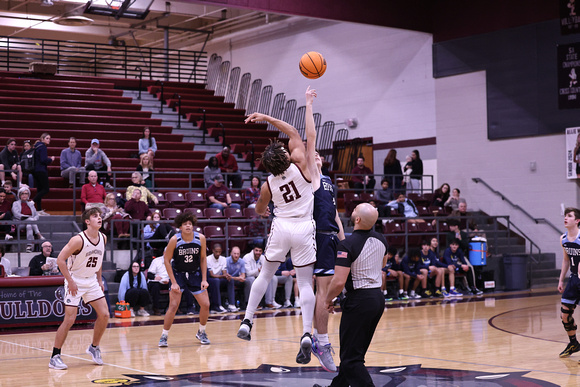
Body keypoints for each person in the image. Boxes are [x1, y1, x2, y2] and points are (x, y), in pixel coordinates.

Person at [237, 87, 317, 368]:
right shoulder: (302, 163)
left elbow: (259, 210)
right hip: (304, 226)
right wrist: (267, 117)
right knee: (305, 281)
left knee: (266, 274)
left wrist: (266, 208)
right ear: (286, 156)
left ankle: (247, 320)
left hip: (281, 226)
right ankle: (306, 333)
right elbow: (295, 131)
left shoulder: (268, 184)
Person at [323, 203, 387, 386]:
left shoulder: (347, 244)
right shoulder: (382, 239)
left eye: (354, 210)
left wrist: (328, 300)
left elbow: (338, 281)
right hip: (376, 299)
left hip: (359, 301)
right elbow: (382, 263)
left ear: (357, 219)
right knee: (353, 354)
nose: (351, 211)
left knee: (352, 360)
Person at [49, 208, 109, 370]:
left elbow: (99, 259)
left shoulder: (103, 237)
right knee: (70, 319)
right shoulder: (78, 240)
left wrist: (99, 279)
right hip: (74, 280)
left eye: (100, 216)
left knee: (104, 314)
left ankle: (94, 347)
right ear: (87, 221)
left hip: (91, 281)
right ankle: (55, 356)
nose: (99, 218)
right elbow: (61, 260)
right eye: (95, 216)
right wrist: (70, 281)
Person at [310, 108, 346, 370]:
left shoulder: (328, 181)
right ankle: (320, 342)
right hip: (317, 238)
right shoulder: (306, 179)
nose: (317, 156)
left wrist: (343, 239)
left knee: (329, 289)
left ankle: (315, 336)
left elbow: (334, 213)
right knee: (321, 293)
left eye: (319, 154)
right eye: (313, 154)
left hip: (332, 237)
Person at [158, 212, 211, 347]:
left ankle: (202, 332)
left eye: (190, 224)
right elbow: (166, 259)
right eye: (185, 224)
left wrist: (204, 279)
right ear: (180, 227)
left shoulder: (201, 238)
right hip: (178, 274)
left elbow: (203, 258)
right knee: (174, 306)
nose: (188, 226)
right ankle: (164, 336)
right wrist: (174, 282)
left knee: (206, 304)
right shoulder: (175, 240)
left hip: (194, 274)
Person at [558, 207, 580, 358]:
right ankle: (573, 343)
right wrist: (561, 280)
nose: (566, 218)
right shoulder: (563, 238)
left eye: (570, 216)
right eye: (565, 216)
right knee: (565, 314)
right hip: (573, 279)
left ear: (577, 221)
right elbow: (566, 260)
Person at [242, 245, 280, 309]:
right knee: (251, 279)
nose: (258, 252)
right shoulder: (246, 257)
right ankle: (253, 304)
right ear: (253, 250)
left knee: (272, 277)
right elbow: (248, 273)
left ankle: (269, 302)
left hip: (259, 276)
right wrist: (258, 270)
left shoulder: (263, 258)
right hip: (249, 277)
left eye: (260, 251)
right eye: (256, 250)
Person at [12, 186, 44, 253]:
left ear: (28, 195)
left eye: (26, 193)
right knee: (30, 221)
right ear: (19, 195)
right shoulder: (15, 203)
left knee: (29, 225)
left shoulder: (30, 204)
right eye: (22, 193)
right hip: (20, 223)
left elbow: (36, 215)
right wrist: (28, 218)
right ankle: (39, 234)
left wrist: (33, 219)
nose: (24, 195)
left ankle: (29, 246)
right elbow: (16, 214)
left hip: (30, 223)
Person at [32, 133, 55, 214]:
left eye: (49, 138)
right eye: (47, 138)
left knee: (39, 190)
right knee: (46, 189)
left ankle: (39, 209)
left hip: (35, 170)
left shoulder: (36, 146)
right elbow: (43, 160)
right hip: (41, 170)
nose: (49, 140)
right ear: (42, 139)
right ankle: (32, 202)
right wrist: (50, 159)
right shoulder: (42, 147)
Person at [206, 243, 229, 313]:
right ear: (213, 251)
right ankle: (217, 306)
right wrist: (223, 276)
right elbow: (212, 274)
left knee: (230, 280)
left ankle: (231, 304)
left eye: (219, 252)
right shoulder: (208, 259)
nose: (218, 253)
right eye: (216, 251)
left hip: (219, 278)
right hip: (210, 279)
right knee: (216, 281)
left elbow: (224, 271)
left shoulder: (223, 259)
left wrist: (226, 275)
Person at [225, 246, 246, 311]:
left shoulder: (242, 261)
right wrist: (238, 278)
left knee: (246, 282)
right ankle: (231, 304)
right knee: (230, 280)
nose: (236, 255)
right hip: (226, 280)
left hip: (236, 280)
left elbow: (243, 275)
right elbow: (227, 276)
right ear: (231, 253)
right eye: (234, 253)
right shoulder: (226, 260)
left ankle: (245, 304)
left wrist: (240, 278)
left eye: (238, 254)